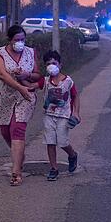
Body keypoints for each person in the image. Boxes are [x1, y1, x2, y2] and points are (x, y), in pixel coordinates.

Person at [0, 25, 41, 186]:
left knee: (17, 129)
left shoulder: (30, 52)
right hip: (5, 97)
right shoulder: (0, 53)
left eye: (22, 40)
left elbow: (37, 75)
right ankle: (19, 155)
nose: (20, 43)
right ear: (10, 40)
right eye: (17, 40)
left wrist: (26, 75)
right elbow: (2, 74)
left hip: (25, 97)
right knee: (5, 131)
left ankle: (16, 172)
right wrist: (19, 86)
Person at [40, 50, 80, 181]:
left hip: (63, 116)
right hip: (48, 116)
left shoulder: (68, 81)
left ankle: (72, 154)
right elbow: (32, 85)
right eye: (48, 64)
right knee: (50, 142)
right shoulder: (45, 81)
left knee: (62, 142)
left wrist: (76, 113)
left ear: (60, 64)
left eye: (54, 63)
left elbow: (75, 96)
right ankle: (53, 168)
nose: (52, 66)